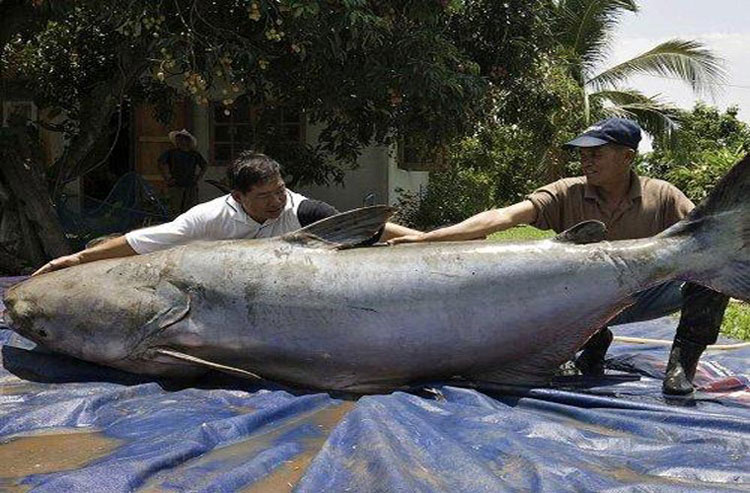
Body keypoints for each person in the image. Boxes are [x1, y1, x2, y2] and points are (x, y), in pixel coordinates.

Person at [390, 118, 729, 395]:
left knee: (712, 271)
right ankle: (592, 340)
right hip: (577, 303)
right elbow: (502, 217)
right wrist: (427, 239)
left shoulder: (663, 195)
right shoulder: (567, 191)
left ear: (627, 157)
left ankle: (682, 363)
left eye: (597, 153)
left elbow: (703, 234)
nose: (586, 160)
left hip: (643, 294)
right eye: (583, 153)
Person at [34, 151, 420, 276]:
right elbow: (140, 243)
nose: (276, 201)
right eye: (265, 195)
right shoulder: (206, 219)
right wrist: (78, 258)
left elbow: (368, 231)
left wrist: (428, 241)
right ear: (237, 196)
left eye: (280, 190)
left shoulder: (303, 210)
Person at [159, 129, 208, 216]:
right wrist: (167, 177)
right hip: (176, 184)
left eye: (183, 139)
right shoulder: (171, 153)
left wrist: (198, 178)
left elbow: (204, 166)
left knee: (190, 210)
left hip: (190, 184)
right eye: (179, 139)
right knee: (175, 209)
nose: (181, 141)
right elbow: (161, 163)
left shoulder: (194, 154)